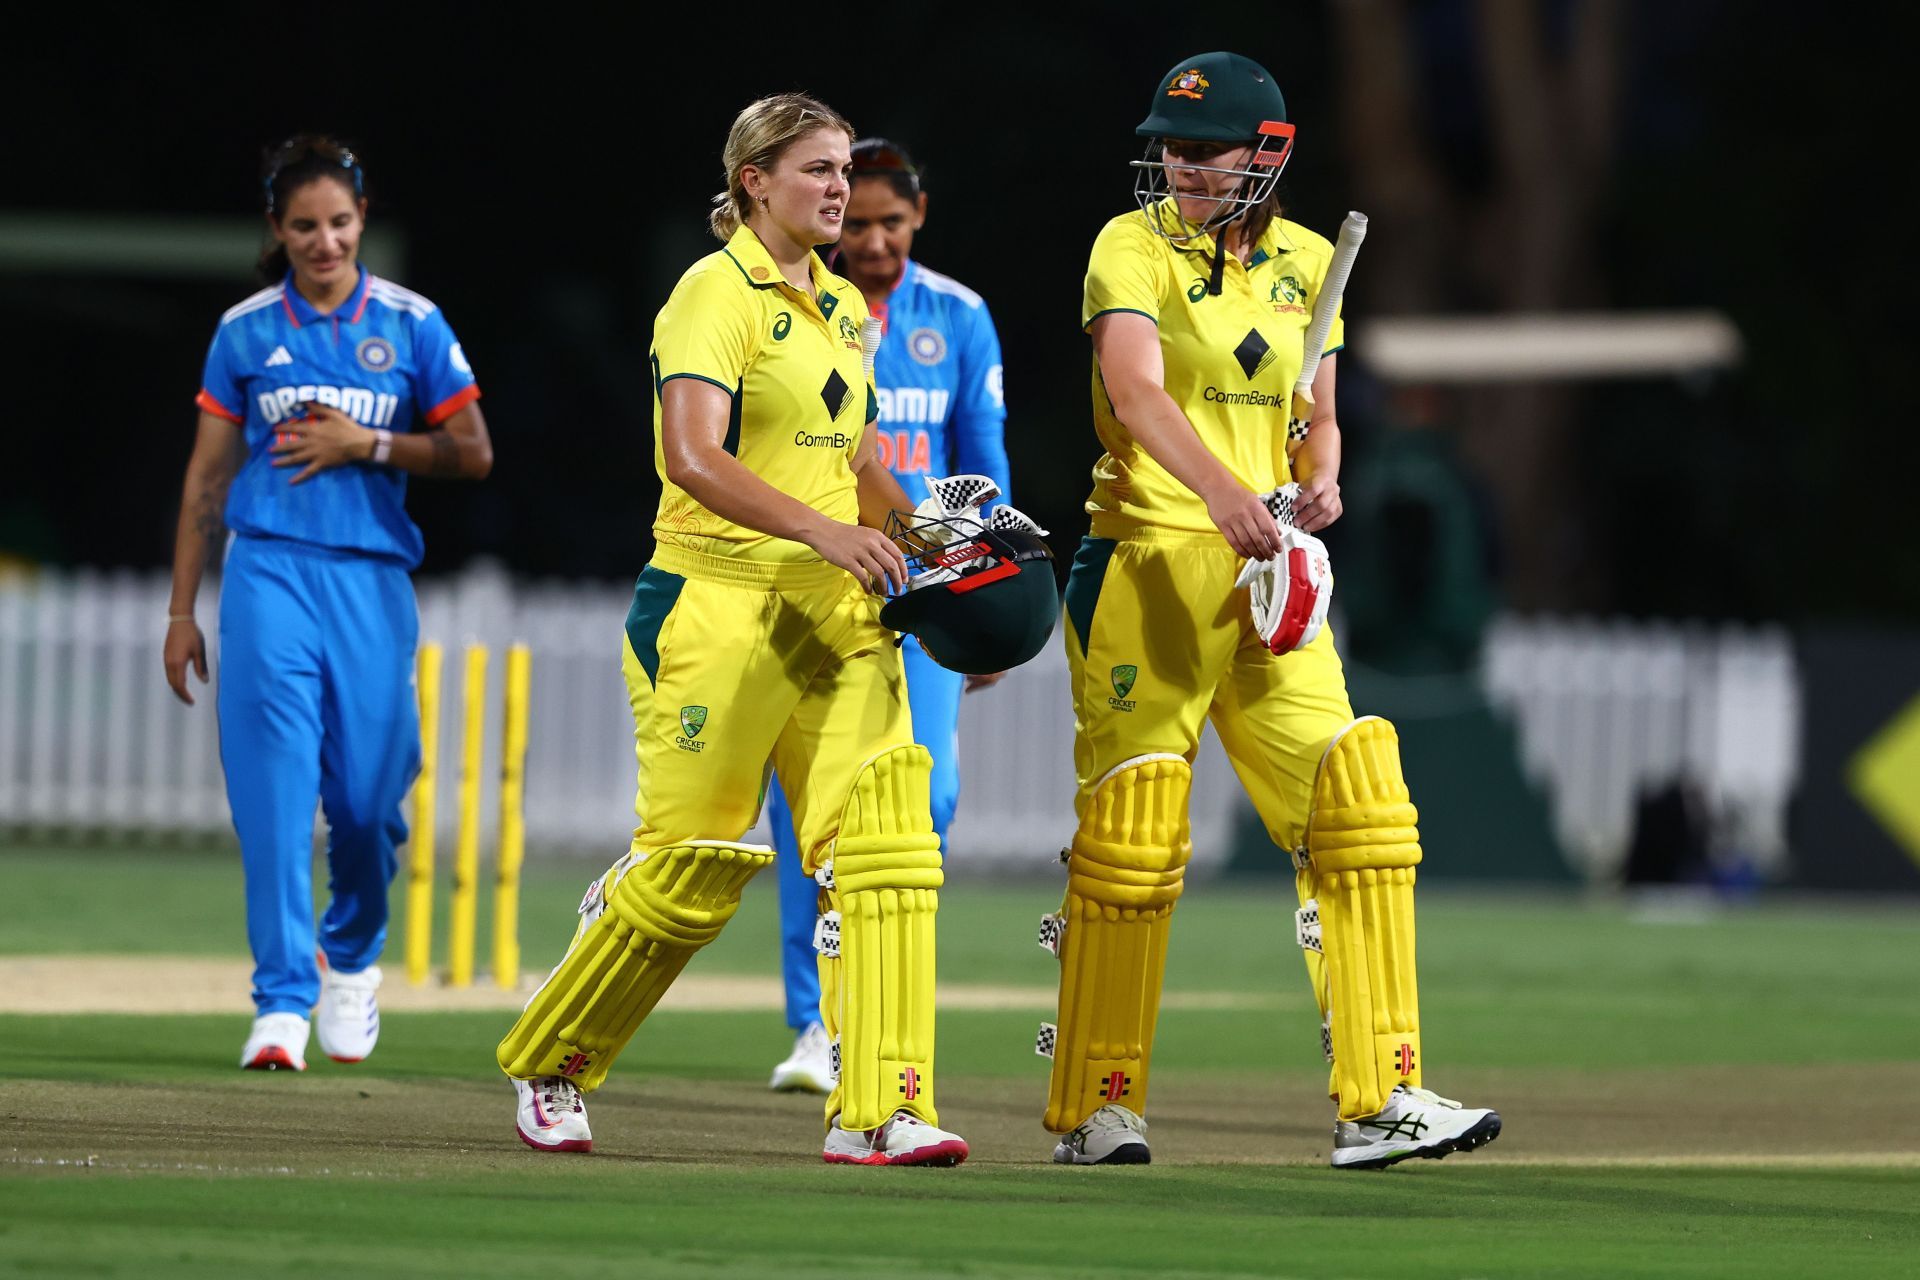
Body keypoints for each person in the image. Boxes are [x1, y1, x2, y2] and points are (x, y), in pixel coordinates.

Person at [1038, 52, 1502, 1169]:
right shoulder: (1129, 245)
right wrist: (1223, 491)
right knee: (1133, 839)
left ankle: (1380, 1099)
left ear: (1268, 154)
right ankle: (1099, 1105)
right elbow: (1137, 389)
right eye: (1172, 148)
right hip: (1148, 560)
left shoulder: (1304, 261)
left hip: (1269, 572)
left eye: (1205, 151)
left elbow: (1319, 408)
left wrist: (1323, 472)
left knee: (1358, 810)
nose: (1181, 168)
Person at [495, 93, 967, 1166]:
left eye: (846, 168)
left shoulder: (847, 308)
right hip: (713, 605)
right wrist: (824, 531)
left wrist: (937, 534)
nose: (841, 187)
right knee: (694, 864)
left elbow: (853, 460)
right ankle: (556, 1060)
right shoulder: (712, 296)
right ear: (754, 180)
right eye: (817, 169)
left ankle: (880, 1105)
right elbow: (692, 458)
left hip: (838, 615)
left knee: (883, 850)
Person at [164, 135, 493, 1072]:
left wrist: (370, 446)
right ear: (277, 229)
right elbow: (204, 480)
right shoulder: (245, 331)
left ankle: (349, 956)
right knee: (272, 798)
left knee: (367, 801)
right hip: (266, 570)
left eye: (339, 222)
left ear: (362, 221)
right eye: (303, 226)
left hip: (368, 578)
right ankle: (279, 1003)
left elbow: (473, 452)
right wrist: (182, 611)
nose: (324, 241)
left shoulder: (412, 323)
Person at [763, 137, 1012, 1095]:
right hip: (819, 586)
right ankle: (817, 1024)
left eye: (890, 224)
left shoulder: (958, 317)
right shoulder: (795, 310)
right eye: (856, 223)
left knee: (931, 799)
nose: (872, 242)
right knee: (808, 818)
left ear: (919, 216)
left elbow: (981, 458)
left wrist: (984, 593)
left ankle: (879, 992)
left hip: (923, 587)